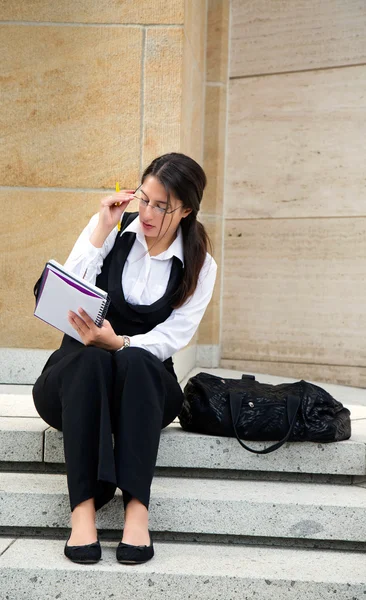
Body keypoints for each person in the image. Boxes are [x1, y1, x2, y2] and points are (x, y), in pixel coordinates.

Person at [32, 152, 217, 565]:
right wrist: (101, 225)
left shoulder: (201, 265)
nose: (147, 213)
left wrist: (119, 342)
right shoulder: (115, 229)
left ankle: (137, 510)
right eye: (144, 200)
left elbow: (174, 336)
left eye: (161, 206)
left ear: (186, 209)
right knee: (91, 361)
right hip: (76, 381)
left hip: (143, 390)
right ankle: (83, 511)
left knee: (132, 360)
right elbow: (71, 284)